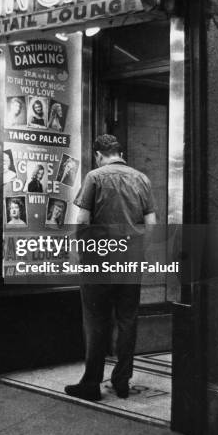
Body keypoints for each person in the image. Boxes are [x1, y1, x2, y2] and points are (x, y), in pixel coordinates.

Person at [64, 134, 156, 402]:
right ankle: (122, 381)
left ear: (98, 154)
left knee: (95, 320)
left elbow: (82, 219)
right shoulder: (142, 179)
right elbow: (152, 224)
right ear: (120, 152)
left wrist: (78, 251)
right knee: (128, 320)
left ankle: (91, 384)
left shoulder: (95, 177)